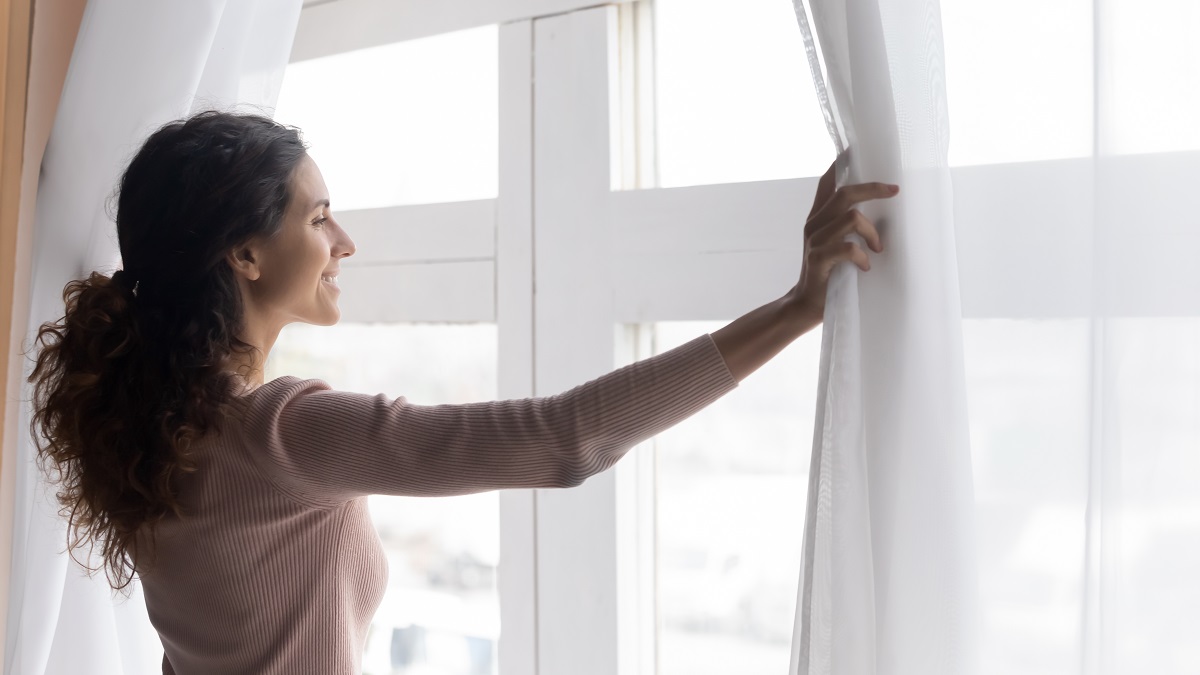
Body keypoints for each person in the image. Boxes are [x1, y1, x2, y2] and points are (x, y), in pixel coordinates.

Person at [28, 111, 896, 674]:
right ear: (245, 254)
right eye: (319, 216)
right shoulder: (278, 430)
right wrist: (796, 308)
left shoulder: (150, 427)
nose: (344, 241)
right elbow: (565, 437)